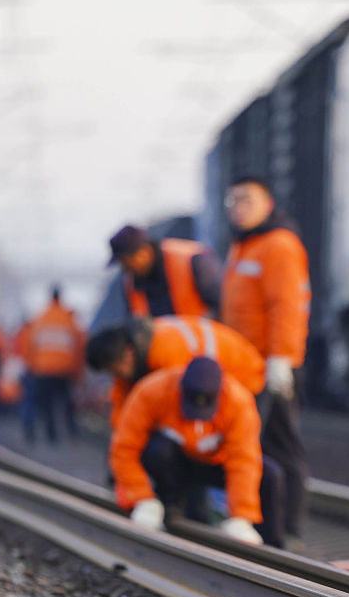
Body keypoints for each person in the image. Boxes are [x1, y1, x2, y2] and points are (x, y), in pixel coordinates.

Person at [221, 175, 311, 546]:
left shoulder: (278, 245)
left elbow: (287, 305)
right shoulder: (244, 247)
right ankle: (264, 522)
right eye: (233, 200)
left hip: (271, 367)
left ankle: (287, 530)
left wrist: (281, 360)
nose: (238, 207)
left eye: (247, 199)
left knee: (281, 445)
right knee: (255, 445)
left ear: (268, 204)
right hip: (245, 367)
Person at [109, 357, 285, 547]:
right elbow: (124, 449)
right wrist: (141, 497)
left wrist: (241, 516)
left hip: (215, 463)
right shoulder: (153, 390)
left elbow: (243, 461)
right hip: (177, 464)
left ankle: (270, 547)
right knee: (157, 450)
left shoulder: (239, 402)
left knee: (270, 474)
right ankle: (168, 506)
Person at [85, 314, 266, 426]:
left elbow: (176, 412)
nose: (116, 375)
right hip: (230, 375)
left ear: (128, 353)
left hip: (246, 376)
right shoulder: (131, 354)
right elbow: (123, 405)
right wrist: (121, 447)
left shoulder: (166, 354)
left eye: (114, 369)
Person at [89, 225, 221, 333]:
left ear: (143, 252)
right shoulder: (131, 285)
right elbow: (134, 326)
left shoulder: (191, 261)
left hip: (205, 349)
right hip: (168, 354)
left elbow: (222, 304)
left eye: (126, 262)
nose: (124, 269)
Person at [23, 286, 85, 444]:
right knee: (67, 402)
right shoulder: (69, 319)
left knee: (47, 404)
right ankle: (72, 432)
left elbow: (31, 344)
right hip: (65, 370)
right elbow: (79, 345)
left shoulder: (41, 317)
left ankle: (52, 434)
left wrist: (32, 366)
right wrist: (78, 370)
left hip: (43, 370)